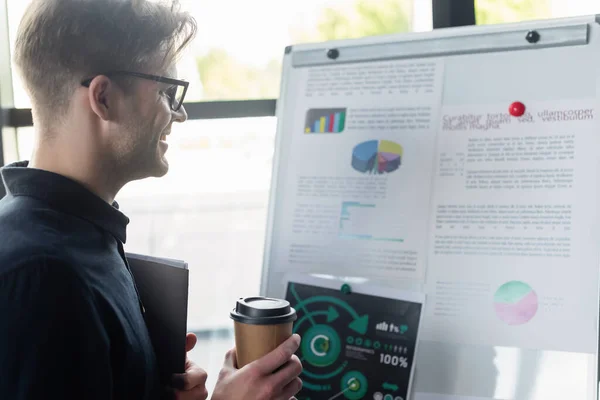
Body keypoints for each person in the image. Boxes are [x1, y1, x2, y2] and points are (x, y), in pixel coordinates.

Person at [0, 0, 303, 399]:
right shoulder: (45, 275)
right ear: (103, 98)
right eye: (166, 92)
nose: (178, 115)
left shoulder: (72, 233)